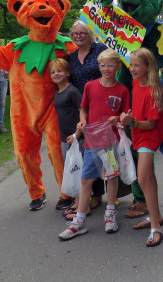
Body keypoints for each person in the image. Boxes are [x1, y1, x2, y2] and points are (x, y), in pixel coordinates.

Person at [58, 49, 130, 241]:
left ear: (118, 66)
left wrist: (119, 119)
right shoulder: (90, 86)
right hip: (92, 142)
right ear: (98, 67)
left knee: (111, 177)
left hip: (110, 144)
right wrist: (82, 121)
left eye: (110, 65)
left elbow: (125, 117)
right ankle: (79, 221)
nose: (106, 69)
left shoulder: (122, 90)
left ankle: (110, 213)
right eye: (102, 65)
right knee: (86, 180)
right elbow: (84, 108)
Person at [120, 48, 163, 247]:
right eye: (130, 64)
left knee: (143, 177)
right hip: (138, 134)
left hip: (149, 136)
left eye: (136, 65)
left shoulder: (154, 90)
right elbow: (138, 111)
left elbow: (151, 124)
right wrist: (127, 117)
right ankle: (155, 216)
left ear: (148, 67)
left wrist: (132, 122)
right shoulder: (136, 83)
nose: (132, 68)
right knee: (150, 179)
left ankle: (155, 226)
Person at [64, 20, 108, 210]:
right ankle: (89, 193)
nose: (78, 36)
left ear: (89, 34)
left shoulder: (100, 50)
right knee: (85, 150)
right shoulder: (71, 58)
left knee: (102, 150)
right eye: (75, 33)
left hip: (101, 105)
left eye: (82, 33)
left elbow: (112, 67)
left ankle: (104, 192)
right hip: (80, 107)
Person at [49, 58, 83, 215]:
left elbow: (83, 113)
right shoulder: (57, 93)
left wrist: (77, 134)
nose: (56, 74)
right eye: (53, 72)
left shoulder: (73, 91)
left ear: (68, 73)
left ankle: (81, 204)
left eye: (59, 71)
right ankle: (77, 201)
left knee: (79, 170)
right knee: (71, 170)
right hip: (64, 138)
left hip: (76, 138)